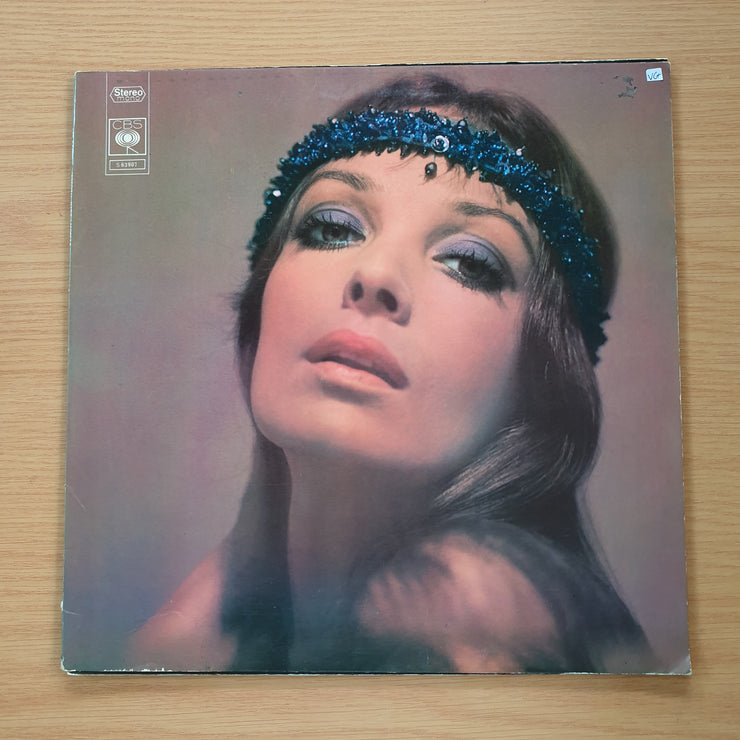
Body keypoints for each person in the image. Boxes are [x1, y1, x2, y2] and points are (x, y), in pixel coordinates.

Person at [129, 75, 651, 673]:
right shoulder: (245, 612)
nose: (375, 273)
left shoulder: (465, 621)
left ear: (541, 375)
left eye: (468, 262)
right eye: (332, 228)